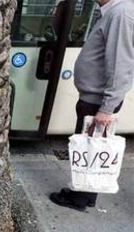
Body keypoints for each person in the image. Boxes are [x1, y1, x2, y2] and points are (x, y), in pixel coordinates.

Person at [50, 0, 134, 211]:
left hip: (98, 101)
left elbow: (120, 64)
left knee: (91, 148)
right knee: (92, 148)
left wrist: (106, 108)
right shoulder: (113, 12)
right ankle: (85, 195)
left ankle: (79, 198)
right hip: (95, 98)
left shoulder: (121, 14)